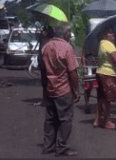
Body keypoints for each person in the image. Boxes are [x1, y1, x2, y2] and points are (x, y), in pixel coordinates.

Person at [41, 23, 80, 157]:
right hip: (63, 88)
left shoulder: (46, 46)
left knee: (50, 118)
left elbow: (42, 69)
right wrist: (76, 90)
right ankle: (62, 146)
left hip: (49, 87)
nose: (70, 35)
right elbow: (73, 72)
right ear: (65, 34)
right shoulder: (67, 48)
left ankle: (48, 146)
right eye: (69, 33)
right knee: (65, 119)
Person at [95, 26, 116, 130]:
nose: (113, 35)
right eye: (111, 33)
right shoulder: (109, 44)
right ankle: (106, 121)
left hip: (101, 72)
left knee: (101, 98)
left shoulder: (101, 44)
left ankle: (97, 120)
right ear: (107, 35)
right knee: (108, 99)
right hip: (109, 75)